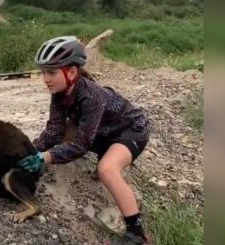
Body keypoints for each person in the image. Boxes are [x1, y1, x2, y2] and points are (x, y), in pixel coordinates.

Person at [17, 36, 151, 245]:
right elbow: (53, 131)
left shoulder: (92, 95)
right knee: (61, 133)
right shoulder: (59, 94)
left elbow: (81, 145)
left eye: (51, 72)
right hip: (102, 132)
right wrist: (27, 152)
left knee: (107, 169)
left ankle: (137, 234)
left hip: (130, 131)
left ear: (71, 72)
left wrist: (45, 157)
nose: (45, 78)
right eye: (43, 72)